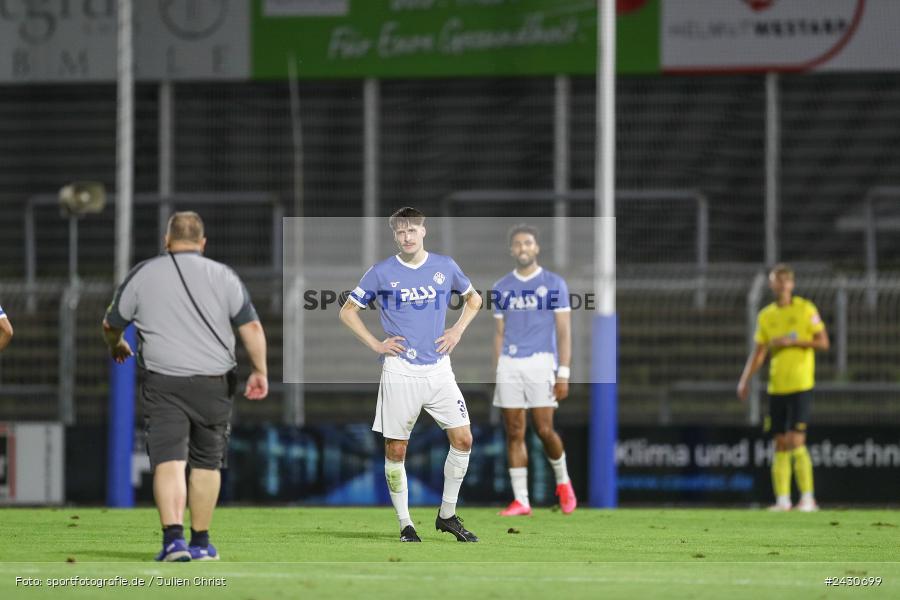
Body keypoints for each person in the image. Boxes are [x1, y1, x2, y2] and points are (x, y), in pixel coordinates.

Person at [102, 211, 269, 561]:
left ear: (167, 240)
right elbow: (251, 328)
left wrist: (117, 344)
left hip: (164, 382)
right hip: (214, 382)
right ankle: (201, 542)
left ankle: (173, 541)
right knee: (207, 463)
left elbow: (111, 323)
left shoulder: (143, 274)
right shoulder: (224, 275)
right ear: (202, 242)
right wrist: (259, 370)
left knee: (170, 461)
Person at [339, 207, 483, 543]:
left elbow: (474, 300)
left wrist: (457, 330)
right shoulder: (381, 272)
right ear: (395, 236)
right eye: (401, 232)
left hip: (439, 370)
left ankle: (447, 515)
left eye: (412, 230)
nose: (407, 237)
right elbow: (347, 311)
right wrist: (376, 344)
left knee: (463, 439)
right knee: (396, 450)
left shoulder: (445, 266)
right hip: (400, 370)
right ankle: (406, 524)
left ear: (423, 231)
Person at [492, 224, 576, 516]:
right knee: (514, 431)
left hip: (541, 362)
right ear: (511, 250)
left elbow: (564, 331)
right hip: (510, 363)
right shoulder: (501, 287)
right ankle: (521, 500)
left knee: (544, 429)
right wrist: (498, 369)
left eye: (528, 242)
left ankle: (563, 482)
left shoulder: (554, 284)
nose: (523, 248)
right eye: (518, 244)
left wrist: (563, 372)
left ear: (536, 247)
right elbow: (499, 333)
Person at [737, 263, 829, 512]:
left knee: (796, 441)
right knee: (779, 443)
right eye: (775, 281)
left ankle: (808, 499)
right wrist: (745, 379)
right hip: (776, 386)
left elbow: (823, 342)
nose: (779, 285)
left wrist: (793, 341)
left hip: (801, 384)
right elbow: (759, 352)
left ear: (791, 284)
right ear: (771, 285)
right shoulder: (766, 315)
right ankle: (783, 500)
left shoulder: (806, 309)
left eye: (783, 281)